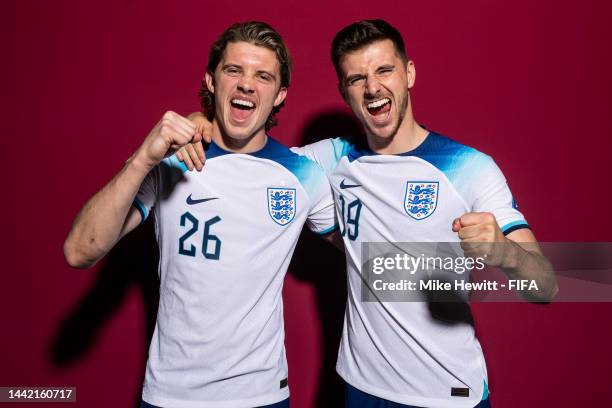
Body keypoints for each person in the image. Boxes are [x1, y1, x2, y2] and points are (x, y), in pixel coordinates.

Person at [182, 19, 557, 408]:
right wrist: (201, 124)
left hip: (447, 392)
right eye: (357, 78)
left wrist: (504, 252)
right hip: (359, 386)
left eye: (384, 71)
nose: (373, 87)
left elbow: (546, 287)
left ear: (409, 74)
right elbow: (250, 151)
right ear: (344, 92)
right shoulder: (330, 159)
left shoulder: (471, 167)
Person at [63, 21, 338, 408]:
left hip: (259, 396)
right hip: (171, 394)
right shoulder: (172, 158)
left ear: (279, 95)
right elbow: (79, 251)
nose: (247, 85)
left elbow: (362, 251)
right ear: (211, 81)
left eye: (263, 76)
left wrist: (448, 265)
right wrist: (144, 157)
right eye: (233, 70)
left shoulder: (303, 174)